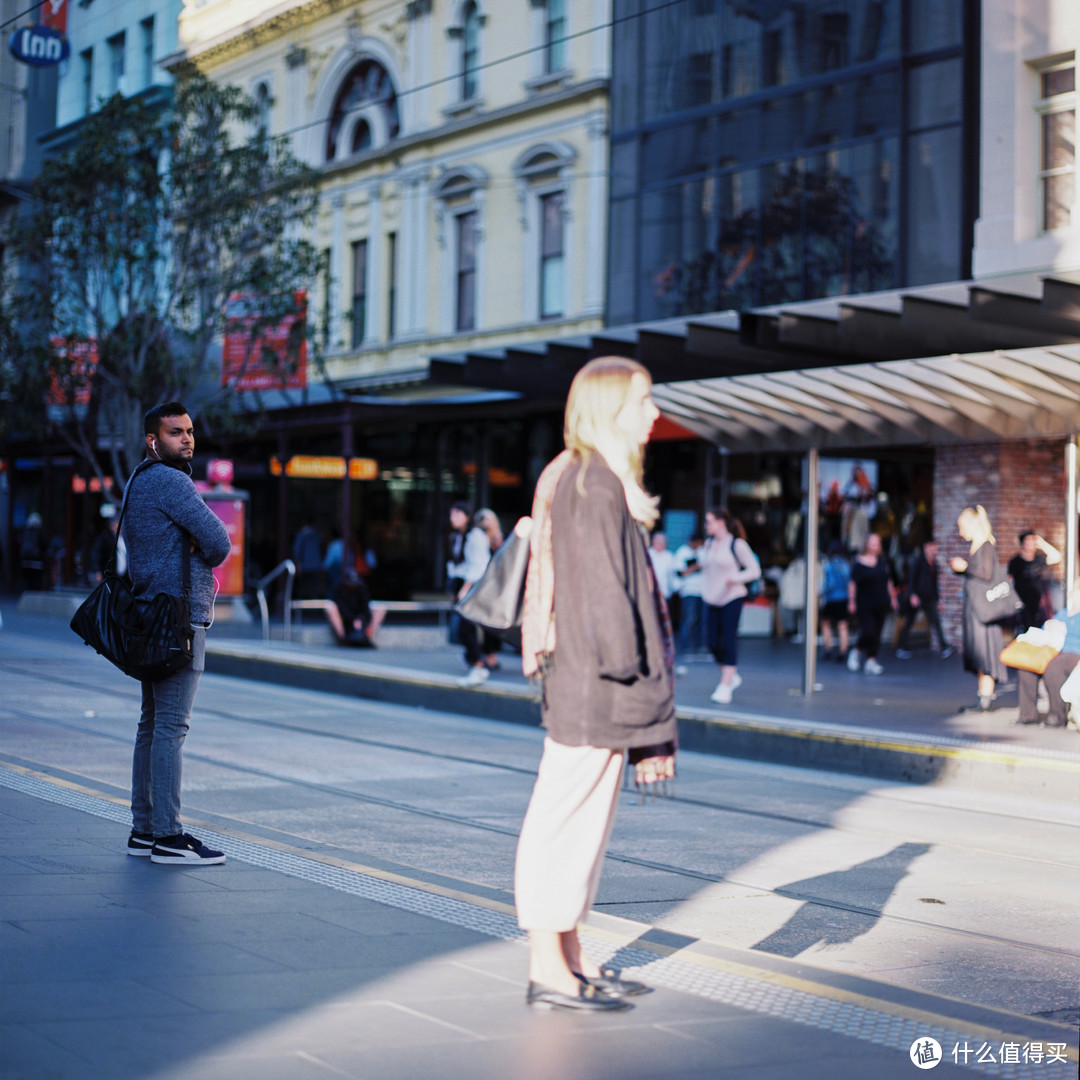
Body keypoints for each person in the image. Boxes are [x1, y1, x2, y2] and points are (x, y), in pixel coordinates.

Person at [515, 356, 676, 1012]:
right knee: (563, 826)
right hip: (594, 686)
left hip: (590, 684)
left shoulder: (591, 477)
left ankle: (570, 959)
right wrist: (639, 683)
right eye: (644, 400)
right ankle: (548, 970)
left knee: (581, 830)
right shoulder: (590, 481)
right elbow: (606, 602)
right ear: (612, 408)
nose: (654, 413)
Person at [125, 402, 231, 865]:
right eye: (175, 433)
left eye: (190, 431)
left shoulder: (137, 480)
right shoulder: (172, 481)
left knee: (151, 724)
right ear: (154, 440)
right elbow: (220, 542)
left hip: (149, 615)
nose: (187, 439)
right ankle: (169, 836)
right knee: (171, 726)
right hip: (178, 620)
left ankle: (143, 830)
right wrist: (195, 542)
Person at [950, 505, 1009, 712]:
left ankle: (985, 698)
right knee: (979, 653)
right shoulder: (978, 546)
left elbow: (985, 574)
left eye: (962, 527)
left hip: (983, 612)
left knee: (984, 653)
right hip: (976, 609)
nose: (960, 532)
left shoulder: (985, 546)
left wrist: (964, 567)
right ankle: (983, 695)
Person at [701, 508, 762, 704]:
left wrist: (734, 578)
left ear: (721, 523)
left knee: (728, 639)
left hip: (732, 597)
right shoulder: (709, 544)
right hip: (712, 598)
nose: (706, 525)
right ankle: (730, 674)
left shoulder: (737, 544)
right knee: (711, 641)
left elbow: (754, 570)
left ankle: (725, 685)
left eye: (709, 521)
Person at [447, 502, 498, 685]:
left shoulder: (475, 536)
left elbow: (478, 566)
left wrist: (465, 589)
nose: (453, 518)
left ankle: (478, 664)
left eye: (457, 515)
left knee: (465, 628)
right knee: (464, 628)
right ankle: (477, 661)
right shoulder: (458, 536)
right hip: (462, 583)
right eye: (452, 515)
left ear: (467, 516)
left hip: (474, 586)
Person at [1015, 587, 1080, 728]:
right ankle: (1028, 714)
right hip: (1051, 649)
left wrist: (1067, 630)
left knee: (1055, 667)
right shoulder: (1063, 614)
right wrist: (1050, 626)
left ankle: (1057, 716)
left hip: (1073, 652)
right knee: (1026, 666)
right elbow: (1045, 628)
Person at [895, 538, 954, 659]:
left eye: (936, 547)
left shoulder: (934, 564)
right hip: (917, 596)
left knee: (936, 621)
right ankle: (901, 646)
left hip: (929, 597)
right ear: (926, 547)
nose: (934, 550)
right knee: (909, 621)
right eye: (932, 547)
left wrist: (939, 600)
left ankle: (944, 647)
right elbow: (911, 579)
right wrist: (912, 595)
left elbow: (934, 583)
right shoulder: (918, 562)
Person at [847, 533, 897, 675]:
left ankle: (871, 660)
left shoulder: (882, 561)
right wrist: (851, 601)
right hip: (865, 603)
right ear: (867, 545)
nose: (875, 546)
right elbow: (852, 583)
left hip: (881, 602)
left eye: (877, 544)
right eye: (873, 543)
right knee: (868, 630)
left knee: (877, 633)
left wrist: (893, 599)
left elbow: (888, 581)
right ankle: (856, 651)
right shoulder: (858, 563)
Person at [1007, 531, 1063, 631]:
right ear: (1022, 544)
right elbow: (1010, 581)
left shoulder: (1039, 560)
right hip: (1021, 604)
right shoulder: (1015, 562)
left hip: (1038, 604)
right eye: (1028, 542)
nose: (1030, 544)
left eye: (1033, 542)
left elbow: (1057, 556)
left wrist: (1042, 543)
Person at [326, 567, 385, 647]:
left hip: (360, 618)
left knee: (380, 608)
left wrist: (362, 619)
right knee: (330, 607)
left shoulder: (361, 587)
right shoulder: (338, 588)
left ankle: (368, 636)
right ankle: (343, 638)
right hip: (345, 618)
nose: (352, 586)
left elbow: (365, 606)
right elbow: (341, 607)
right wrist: (353, 619)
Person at [673, 533, 706, 655]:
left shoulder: (704, 551)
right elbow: (679, 573)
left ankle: (701, 647)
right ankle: (686, 646)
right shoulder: (682, 552)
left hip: (703, 591)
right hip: (689, 591)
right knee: (689, 620)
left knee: (703, 620)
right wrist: (695, 567)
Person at [819, 540, 851, 662]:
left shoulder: (829, 565)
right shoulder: (845, 564)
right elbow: (849, 582)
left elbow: (829, 584)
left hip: (832, 598)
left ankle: (828, 648)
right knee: (842, 626)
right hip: (843, 598)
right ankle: (843, 651)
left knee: (826, 624)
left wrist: (823, 593)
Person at [90, 504, 128, 584]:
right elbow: (96, 555)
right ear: (112, 526)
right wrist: (97, 571)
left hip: (124, 578)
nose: (120, 528)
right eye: (117, 525)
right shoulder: (105, 538)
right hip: (110, 575)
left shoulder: (124, 538)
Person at [292, 519, 323, 599]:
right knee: (314, 589)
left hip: (304, 565)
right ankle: (315, 607)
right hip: (316, 565)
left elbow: (297, 551)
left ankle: (300, 609)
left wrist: (298, 565)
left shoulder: (301, 535)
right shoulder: (317, 534)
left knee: (302, 588)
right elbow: (322, 548)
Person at [19, 512, 47, 591]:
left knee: (28, 582)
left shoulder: (25, 532)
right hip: (36, 563)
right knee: (36, 583)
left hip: (25, 562)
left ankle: (28, 594)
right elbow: (45, 545)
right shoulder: (39, 533)